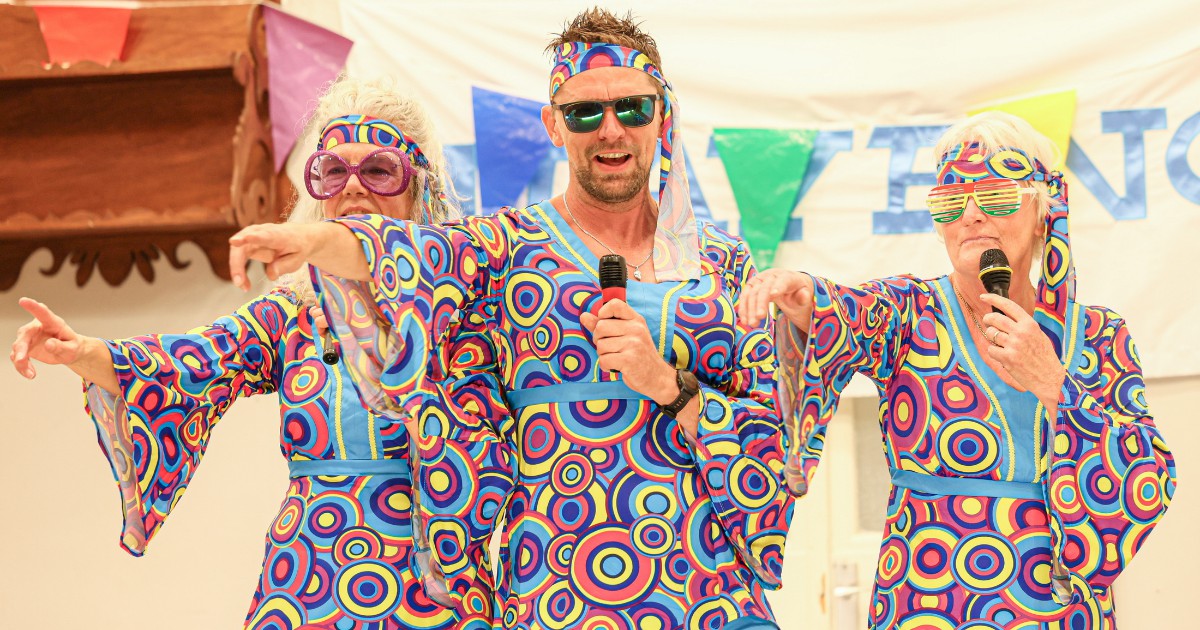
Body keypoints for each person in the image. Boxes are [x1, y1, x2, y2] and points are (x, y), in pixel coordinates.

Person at [224, 8, 795, 630]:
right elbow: (411, 253)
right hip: (562, 591)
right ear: (553, 124)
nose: (611, 129)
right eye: (584, 112)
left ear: (663, 116)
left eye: (631, 108)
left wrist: (668, 385)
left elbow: (774, 433)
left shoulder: (723, 262)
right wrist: (314, 241)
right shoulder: (504, 248)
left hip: (713, 592)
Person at [8, 77, 499, 629]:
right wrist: (84, 351)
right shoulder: (293, 311)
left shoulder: (469, 306)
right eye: (335, 171)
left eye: (379, 170)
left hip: (437, 582)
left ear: (420, 186)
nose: (354, 188)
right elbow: (192, 360)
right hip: (307, 578)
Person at [739, 111, 1177, 628]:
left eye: (994, 196)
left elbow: (1147, 476)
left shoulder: (1102, 336)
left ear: (1042, 213)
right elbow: (852, 312)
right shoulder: (909, 312)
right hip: (926, 600)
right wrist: (807, 298)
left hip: (1056, 608)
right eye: (950, 202)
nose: (970, 215)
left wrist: (1053, 383)